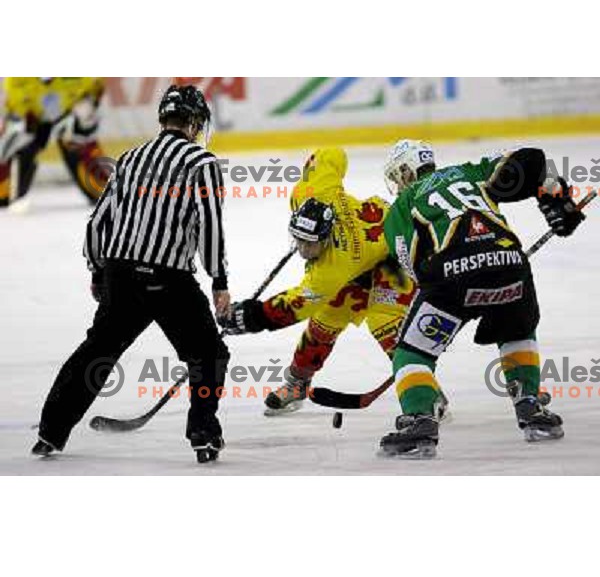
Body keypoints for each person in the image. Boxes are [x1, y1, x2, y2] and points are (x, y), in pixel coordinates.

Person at [32, 85, 231, 464]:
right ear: (194, 123)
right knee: (208, 355)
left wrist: (98, 272)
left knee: (96, 353)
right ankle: (204, 433)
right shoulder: (201, 163)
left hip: (120, 275)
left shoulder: (130, 158)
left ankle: (50, 433)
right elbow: (210, 227)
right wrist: (219, 281)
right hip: (169, 279)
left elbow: (97, 224)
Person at [379, 139, 585, 458]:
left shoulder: (400, 207)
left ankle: (419, 421)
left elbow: (414, 267)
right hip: (510, 265)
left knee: (410, 352)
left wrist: (452, 301)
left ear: (404, 172)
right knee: (517, 331)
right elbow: (532, 161)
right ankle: (531, 409)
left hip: (450, 276)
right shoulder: (470, 172)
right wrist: (557, 200)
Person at [220, 147, 446, 417]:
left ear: (326, 238)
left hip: (390, 264)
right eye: (299, 240)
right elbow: (331, 154)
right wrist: (310, 170)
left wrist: (253, 316)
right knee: (322, 326)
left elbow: (298, 304)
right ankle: (297, 384)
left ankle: (426, 391)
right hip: (360, 255)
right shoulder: (311, 192)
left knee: (387, 329)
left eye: (310, 244)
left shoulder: (333, 266)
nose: (303, 249)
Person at [0, 77, 110, 209]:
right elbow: (14, 116)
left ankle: (103, 184)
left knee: (78, 135)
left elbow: (95, 92)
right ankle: (8, 189)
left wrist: (86, 107)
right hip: (34, 122)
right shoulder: (16, 80)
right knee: (19, 138)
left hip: (68, 118)